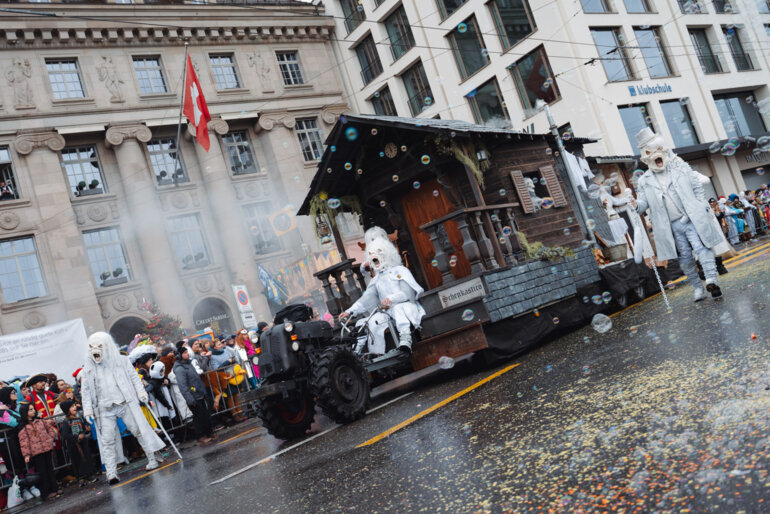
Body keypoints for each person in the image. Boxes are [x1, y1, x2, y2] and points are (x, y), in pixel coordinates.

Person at [632, 128, 724, 302]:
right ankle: (698, 288)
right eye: (651, 153)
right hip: (671, 225)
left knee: (702, 248)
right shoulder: (644, 180)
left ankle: (711, 279)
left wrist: (701, 205)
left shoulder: (680, 167)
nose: (656, 157)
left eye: (658, 151)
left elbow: (697, 187)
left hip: (691, 218)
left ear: (664, 151)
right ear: (645, 157)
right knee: (685, 258)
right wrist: (634, 204)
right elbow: (643, 204)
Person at [80, 332, 165, 484]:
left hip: (124, 402)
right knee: (107, 441)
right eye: (92, 347)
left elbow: (134, 377)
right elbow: (85, 390)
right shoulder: (88, 368)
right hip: (104, 408)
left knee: (139, 431)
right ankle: (111, 473)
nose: (95, 350)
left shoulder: (121, 361)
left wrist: (140, 392)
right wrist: (87, 409)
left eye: (99, 346)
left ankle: (152, 458)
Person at [340, 226, 426, 354]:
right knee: (364, 322)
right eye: (371, 255)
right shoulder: (377, 279)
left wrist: (391, 299)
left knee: (398, 309)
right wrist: (349, 311)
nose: (375, 259)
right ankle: (363, 352)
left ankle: (405, 338)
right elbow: (366, 299)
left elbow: (408, 294)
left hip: (405, 307)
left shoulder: (400, 271)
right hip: (387, 312)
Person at [173, 343, 215, 446]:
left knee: (205, 414)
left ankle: (209, 433)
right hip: (193, 396)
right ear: (179, 355)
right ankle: (201, 436)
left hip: (199, 393)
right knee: (198, 417)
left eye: (187, 352)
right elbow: (183, 386)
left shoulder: (188, 364)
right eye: (185, 352)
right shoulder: (179, 369)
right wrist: (190, 399)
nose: (188, 354)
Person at [17, 402, 60, 499]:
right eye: (30, 410)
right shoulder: (23, 426)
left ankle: (54, 488)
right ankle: (46, 492)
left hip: (46, 448)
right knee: (42, 472)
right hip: (36, 452)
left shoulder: (40, 420)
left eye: (33, 409)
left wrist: (50, 439)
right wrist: (27, 454)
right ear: (25, 412)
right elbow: (24, 441)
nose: (33, 411)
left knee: (50, 469)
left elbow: (50, 429)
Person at [58, 400, 97, 485]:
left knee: (86, 458)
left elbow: (82, 428)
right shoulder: (65, 422)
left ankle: (90, 474)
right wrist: (77, 437)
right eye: (72, 406)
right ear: (67, 410)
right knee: (78, 460)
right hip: (74, 445)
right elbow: (66, 435)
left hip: (83, 443)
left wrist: (85, 431)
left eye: (75, 405)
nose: (75, 407)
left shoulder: (79, 418)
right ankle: (81, 477)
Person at [0, 386, 24, 476]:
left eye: (15, 392)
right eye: (13, 392)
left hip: (16, 438)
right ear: (6, 395)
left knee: (23, 462)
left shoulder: (12, 406)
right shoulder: (1, 410)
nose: (16, 394)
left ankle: (29, 484)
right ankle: (20, 486)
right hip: (7, 442)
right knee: (15, 465)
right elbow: (14, 422)